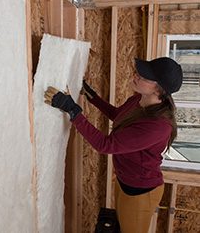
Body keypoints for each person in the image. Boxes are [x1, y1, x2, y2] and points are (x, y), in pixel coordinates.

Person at [44, 57, 183, 233]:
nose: (135, 76)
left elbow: (106, 145)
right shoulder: (138, 100)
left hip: (142, 192)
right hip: (124, 181)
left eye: (143, 76)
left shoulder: (158, 126)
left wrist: (73, 111)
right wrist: (92, 97)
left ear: (159, 89)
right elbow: (118, 115)